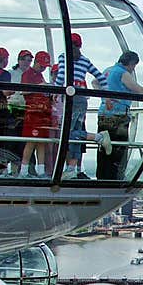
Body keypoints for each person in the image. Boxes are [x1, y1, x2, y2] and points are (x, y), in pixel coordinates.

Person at [54, 33, 111, 179]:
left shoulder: (63, 57)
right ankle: (72, 168)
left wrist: (54, 92)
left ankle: (98, 137)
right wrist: (107, 96)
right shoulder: (85, 61)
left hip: (70, 99)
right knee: (74, 133)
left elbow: (61, 77)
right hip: (80, 100)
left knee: (69, 133)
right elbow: (100, 77)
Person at [96, 50, 143, 180]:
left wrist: (106, 97)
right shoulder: (123, 73)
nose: (133, 69)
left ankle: (102, 177)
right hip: (118, 116)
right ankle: (113, 178)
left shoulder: (108, 71)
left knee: (104, 147)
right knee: (118, 149)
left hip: (103, 114)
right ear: (131, 63)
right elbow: (137, 89)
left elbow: (95, 82)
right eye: (134, 66)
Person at [18, 51, 52, 178]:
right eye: (42, 65)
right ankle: (24, 171)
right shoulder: (27, 75)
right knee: (31, 141)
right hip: (33, 113)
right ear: (36, 62)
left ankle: (41, 171)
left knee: (41, 142)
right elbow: (24, 91)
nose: (43, 68)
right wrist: (40, 86)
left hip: (42, 114)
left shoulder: (40, 76)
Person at [7, 49, 32, 174]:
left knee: (25, 142)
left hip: (27, 111)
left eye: (29, 60)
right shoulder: (11, 74)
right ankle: (13, 169)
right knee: (13, 141)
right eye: (24, 59)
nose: (27, 63)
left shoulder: (32, 75)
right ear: (19, 60)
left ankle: (23, 170)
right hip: (13, 109)